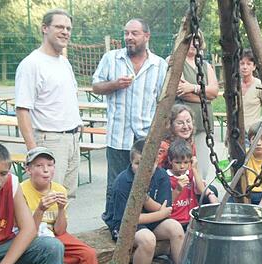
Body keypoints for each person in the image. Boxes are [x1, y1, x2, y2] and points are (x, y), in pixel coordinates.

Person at [104, 139, 200, 264]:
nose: (143, 168)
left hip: (149, 217)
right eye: (137, 163)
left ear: (156, 161)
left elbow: (165, 207)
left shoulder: (160, 175)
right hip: (124, 225)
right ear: (131, 162)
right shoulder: (123, 182)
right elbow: (127, 220)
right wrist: (159, 214)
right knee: (148, 239)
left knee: (176, 229)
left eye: (149, 163)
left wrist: (148, 202)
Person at [93, 18, 168, 223]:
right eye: (126, 33)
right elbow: (96, 87)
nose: (128, 37)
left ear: (146, 36)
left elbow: (164, 100)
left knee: (146, 183)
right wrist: (114, 84)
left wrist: (161, 134)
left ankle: (145, 223)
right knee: (116, 184)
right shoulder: (111, 58)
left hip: (145, 138)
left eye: (134, 33)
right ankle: (113, 223)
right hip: (118, 136)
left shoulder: (159, 64)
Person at [20, 147, 99, 264]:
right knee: (55, 263)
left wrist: (62, 209)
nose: (46, 170)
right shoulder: (20, 191)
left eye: (49, 165)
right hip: (34, 236)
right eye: (39, 165)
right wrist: (40, 209)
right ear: (28, 169)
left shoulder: (59, 189)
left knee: (88, 254)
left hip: (54, 234)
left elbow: (60, 230)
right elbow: (26, 231)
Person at [15, 9, 83, 196]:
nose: (65, 32)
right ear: (44, 28)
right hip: (50, 140)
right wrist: (34, 153)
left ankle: (61, 227)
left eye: (68, 28)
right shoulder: (32, 64)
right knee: (46, 198)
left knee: (65, 197)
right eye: (59, 27)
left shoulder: (64, 62)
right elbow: (22, 110)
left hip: (72, 139)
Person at [175, 31, 219, 180]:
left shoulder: (205, 66)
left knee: (202, 170)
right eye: (190, 40)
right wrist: (205, 96)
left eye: (197, 40)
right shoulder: (176, 61)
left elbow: (214, 92)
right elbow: (181, 92)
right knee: (182, 168)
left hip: (203, 125)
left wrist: (194, 88)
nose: (193, 44)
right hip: (181, 127)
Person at [166, 139, 218, 230]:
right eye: (177, 162)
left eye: (186, 162)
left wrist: (194, 169)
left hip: (192, 217)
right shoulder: (166, 178)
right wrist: (178, 189)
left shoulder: (190, 174)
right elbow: (167, 203)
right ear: (170, 161)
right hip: (175, 220)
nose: (182, 166)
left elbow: (202, 190)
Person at [156, 104, 196, 169]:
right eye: (180, 123)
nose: (186, 126)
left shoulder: (190, 143)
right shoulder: (164, 147)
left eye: (188, 121)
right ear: (170, 125)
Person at [240, 49, 262, 131]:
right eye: (242, 63)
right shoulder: (235, 86)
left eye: (248, 64)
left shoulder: (259, 84)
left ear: (254, 67)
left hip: (251, 133)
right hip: (236, 132)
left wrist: (258, 124)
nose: (245, 67)